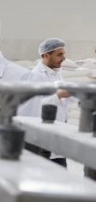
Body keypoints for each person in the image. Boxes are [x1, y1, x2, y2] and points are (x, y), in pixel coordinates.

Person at [28, 38, 77, 167]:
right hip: (44, 136)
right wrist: (59, 95)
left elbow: (64, 99)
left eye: (64, 54)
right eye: (59, 54)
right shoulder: (35, 76)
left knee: (61, 171)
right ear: (45, 55)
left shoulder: (57, 73)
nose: (64, 58)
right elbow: (35, 106)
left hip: (58, 133)